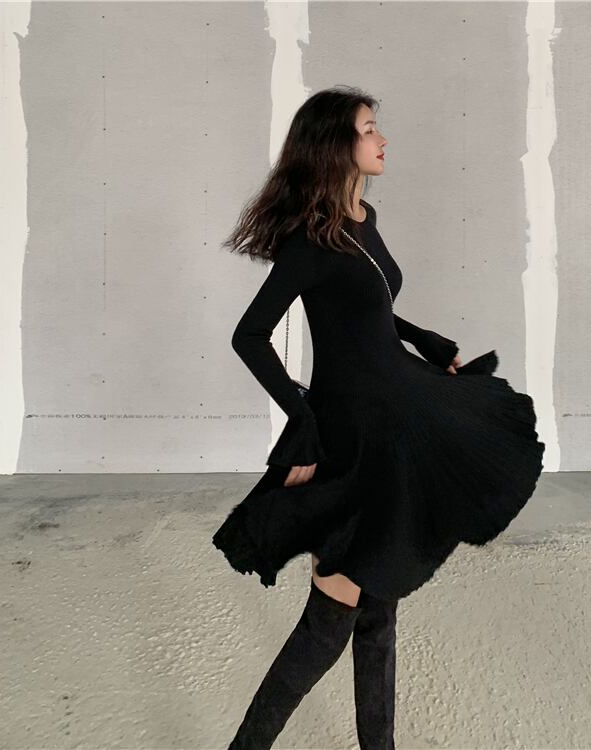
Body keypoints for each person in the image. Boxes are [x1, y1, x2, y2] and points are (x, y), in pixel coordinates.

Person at [212, 86, 545, 750]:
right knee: (328, 621)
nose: (382, 139)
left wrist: (422, 339)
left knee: (378, 606)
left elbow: (365, 305)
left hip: (393, 418)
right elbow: (249, 336)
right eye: (369, 129)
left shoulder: (362, 218)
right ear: (337, 144)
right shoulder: (309, 240)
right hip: (353, 433)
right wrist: (302, 421)